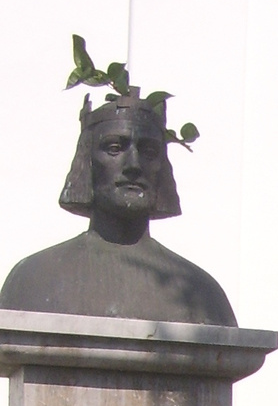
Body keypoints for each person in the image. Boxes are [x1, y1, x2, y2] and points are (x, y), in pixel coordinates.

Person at [1, 89, 235, 326]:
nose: (133, 164)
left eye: (149, 152)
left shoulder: (202, 295)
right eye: (114, 148)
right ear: (88, 161)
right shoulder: (32, 280)